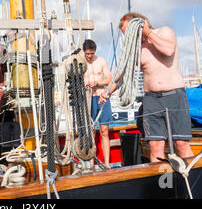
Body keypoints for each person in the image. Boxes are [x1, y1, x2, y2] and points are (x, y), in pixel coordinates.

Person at [100, 12, 194, 163]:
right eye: (126, 34)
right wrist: (107, 92)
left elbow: (168, 50)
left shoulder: (164, 32)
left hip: (174, 96)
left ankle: (191, 180)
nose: (128, 37)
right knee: (155, 145)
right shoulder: (135, 49)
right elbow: (122, 74)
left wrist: (148, 32)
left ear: (139, 24)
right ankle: (162, 184)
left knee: (181, 143)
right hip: (151, 100)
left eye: (129, 32)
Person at [82, 39, 113, 168]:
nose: (89, 56)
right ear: (84, 51)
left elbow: (110, 79)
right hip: (88, 98)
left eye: (92, 53)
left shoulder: (101, 61)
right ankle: (92, 164)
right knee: (91, 131)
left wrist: (98, 83)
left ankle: (106, 163)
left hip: (101, 97)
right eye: (87, 54)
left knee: (104, 130)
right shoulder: (80, 62)